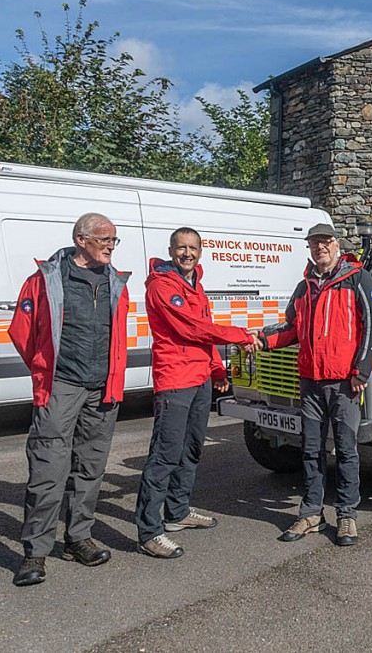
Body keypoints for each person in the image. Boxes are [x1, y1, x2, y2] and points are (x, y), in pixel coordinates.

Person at [8, 213, 130, 587]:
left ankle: (79, 539)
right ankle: (35, 554)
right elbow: (22, 332)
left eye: (115, 240)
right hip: (61, 386)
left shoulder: (116, 282)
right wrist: (46, 370)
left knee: (90, 467)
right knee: (48, 469)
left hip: (102, 390)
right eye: (104, 238)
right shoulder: (46, 280)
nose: (111, 245)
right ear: (81, 239)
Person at [135, 228, 261, 559]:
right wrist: (238, 335)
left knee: (191, 449)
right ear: (171, 250)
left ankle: (177, 513)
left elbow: (203, 333)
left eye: (193, 248)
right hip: (175, 379)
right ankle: (149, 531)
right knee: (165, 455)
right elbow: (190, 328)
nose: (187, 253)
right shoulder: (162, 286)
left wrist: (217, 370)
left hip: (200, 379)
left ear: (200, 252)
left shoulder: (196, 285)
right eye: (181, 248)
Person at [257, 223, 372, 546]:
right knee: (311, 450)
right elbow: (292, 329)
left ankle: (347, 516)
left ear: (336, 245)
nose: (320, 248)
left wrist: (362, 370)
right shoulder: (304, 288)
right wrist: (263, 341)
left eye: (325, 242)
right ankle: (312, 513)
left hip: (344, 383)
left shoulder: (357, 279)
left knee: (345, 449)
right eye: (314, 243)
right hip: (310, 383)